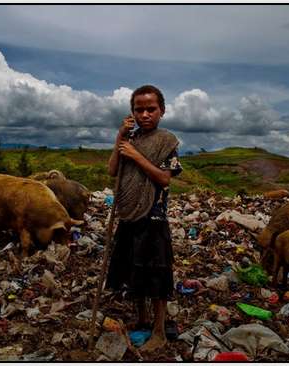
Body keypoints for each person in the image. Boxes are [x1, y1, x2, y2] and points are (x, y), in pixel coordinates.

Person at [105, 84, 182, 352]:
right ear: (132, 112)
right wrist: (120, 138)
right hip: (128, 214)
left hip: (153, 216)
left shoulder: (167, 141)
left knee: (156, 275)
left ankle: (159, 331)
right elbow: (113, 171)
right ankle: (142, 319)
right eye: (139, 109)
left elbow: (164, 179)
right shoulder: (130, 139)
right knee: (132, 269)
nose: (145, 114)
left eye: (151, 109)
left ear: (162, 110)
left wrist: (136, 156)